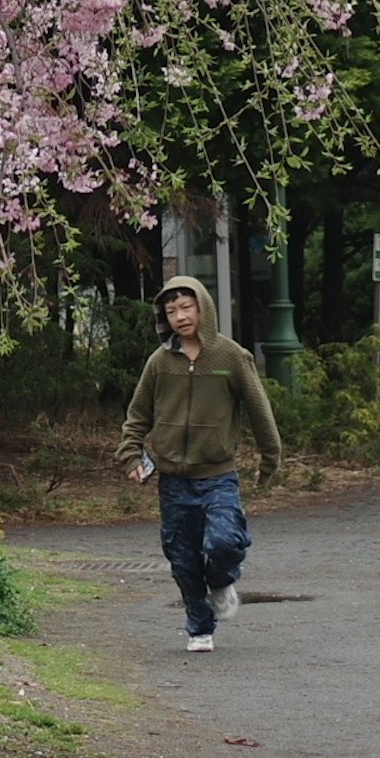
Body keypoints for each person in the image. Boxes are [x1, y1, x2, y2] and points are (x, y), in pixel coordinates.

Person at [120, 273, 283, 652]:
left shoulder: (230, 357)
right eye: (172, 310)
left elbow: (260, 411)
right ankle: (199, 627)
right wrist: (130, 454)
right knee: (182, 557)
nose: (180, 316)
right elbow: (137, 416)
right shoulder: (159, 362)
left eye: (186, 306)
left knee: (225, 541)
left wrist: (269, 457)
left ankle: (223, 580)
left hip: (218, 475)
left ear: (202, 308)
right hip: (173, 480)